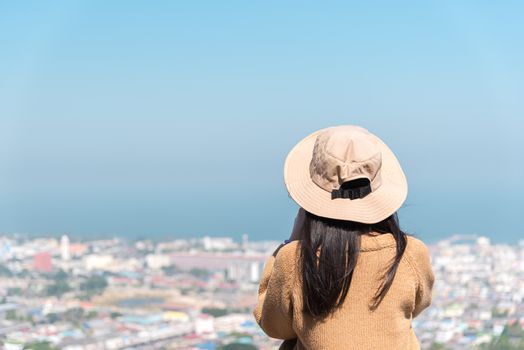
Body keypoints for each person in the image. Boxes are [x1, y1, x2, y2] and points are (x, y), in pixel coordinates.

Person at [253, 125, 435, 350]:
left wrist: (289, 244)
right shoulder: (410, 253)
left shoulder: (296, 259)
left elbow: (274, 326)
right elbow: (417, 305)